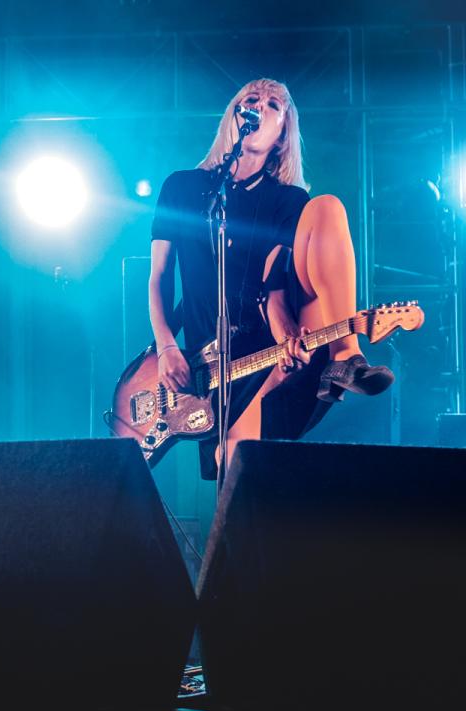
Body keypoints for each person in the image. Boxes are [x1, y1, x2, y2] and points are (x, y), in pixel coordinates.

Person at [147, 78, 394, 479]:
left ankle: (344, 356)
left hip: (273, 348)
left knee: (326, 206)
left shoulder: (288, 199)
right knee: (232, 466)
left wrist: (284, 335)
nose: (259, 107)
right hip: (210, 363)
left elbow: (273, 284)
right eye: (251, 100)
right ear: (234, 115)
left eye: (274, 105)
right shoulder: (182, 187)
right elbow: (158, 277)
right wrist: (165, 347)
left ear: (282, 134)